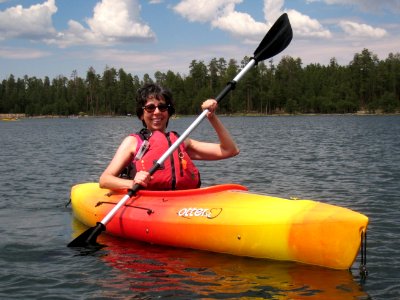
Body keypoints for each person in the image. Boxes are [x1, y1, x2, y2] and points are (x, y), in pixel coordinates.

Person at [99, 83, 239, 191]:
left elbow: (230, 150)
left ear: (168, 112)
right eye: (150, 108)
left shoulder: (179, 143)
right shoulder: (132, 142)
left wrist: (211, 116)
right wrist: (132, 183)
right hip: (145, 201)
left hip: (179, 202)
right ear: (141, 114)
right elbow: (104, 180)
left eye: (162, 107)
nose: (157, 112)